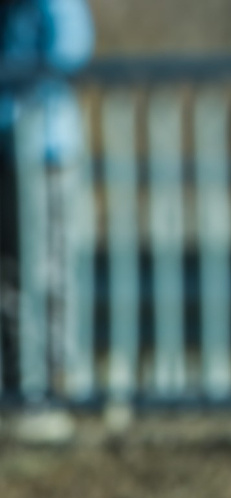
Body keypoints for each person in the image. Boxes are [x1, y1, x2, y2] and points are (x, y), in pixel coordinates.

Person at [0, 0, 91, 402]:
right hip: (8, 147)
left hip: (43, 148)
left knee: (47, 266)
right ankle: (19, 379)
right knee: (10, 270)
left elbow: (71, 49)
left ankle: (55, 379)